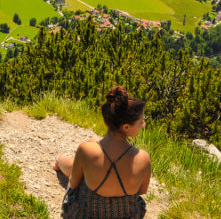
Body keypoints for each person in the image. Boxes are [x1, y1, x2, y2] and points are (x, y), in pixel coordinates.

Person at [53, 86, 150, 218]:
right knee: (93, 146)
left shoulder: (85, 149)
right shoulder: (143, 158)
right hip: (125, 215)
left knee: (89, 155)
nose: (143, 125)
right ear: (126, 127)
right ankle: (62, 160)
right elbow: (142, 190)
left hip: (86, 214)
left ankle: (59, 160)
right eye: (141, 121)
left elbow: (74, 184)